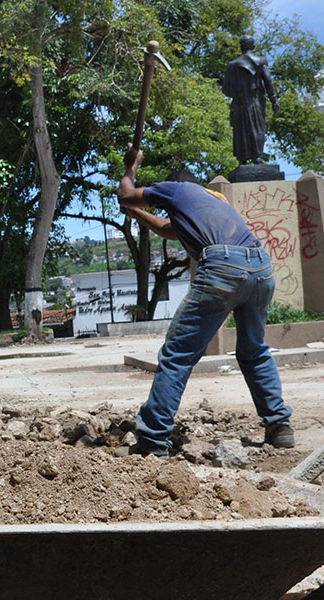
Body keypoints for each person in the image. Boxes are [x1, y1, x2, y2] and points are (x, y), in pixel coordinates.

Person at [116, 147, 294, 456]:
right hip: (260, 268)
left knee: (177, 355)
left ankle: (152, 440)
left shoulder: (177, 189)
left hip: (224, 268)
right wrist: (136, 214)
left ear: (171, 191)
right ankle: (279, 426)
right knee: (254, 351)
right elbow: (166, 229)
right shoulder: (211, 202)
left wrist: (131, 167)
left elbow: (127, 194)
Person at [222, 35, 278, 166]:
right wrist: (274, 99)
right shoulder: (260, 61)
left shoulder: (232, 65)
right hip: (255, 99)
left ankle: (242, 159)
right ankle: (258, 157)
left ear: (241, 47)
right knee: (257, 127)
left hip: (239, 102)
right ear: (253, 46)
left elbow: (226, 89)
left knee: (241, 129)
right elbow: (268, 80)